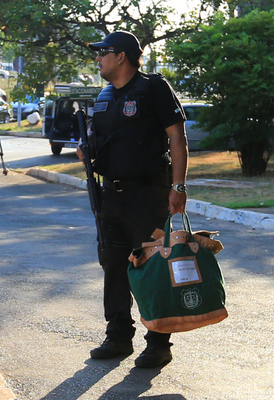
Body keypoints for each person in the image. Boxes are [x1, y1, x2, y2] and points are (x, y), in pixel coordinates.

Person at [77, 31, 188, 368]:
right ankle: (118, 335)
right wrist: (87, 150)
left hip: (148, 194)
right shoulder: (104, 96)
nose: (98, 59)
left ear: (121, 56)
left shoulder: (153, 88)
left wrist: (179, 187)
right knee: (113, 264)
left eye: (102, 53)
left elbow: (178, 138)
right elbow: (102, 141)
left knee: (153, 267)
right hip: (112, 194)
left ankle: (158, 342)